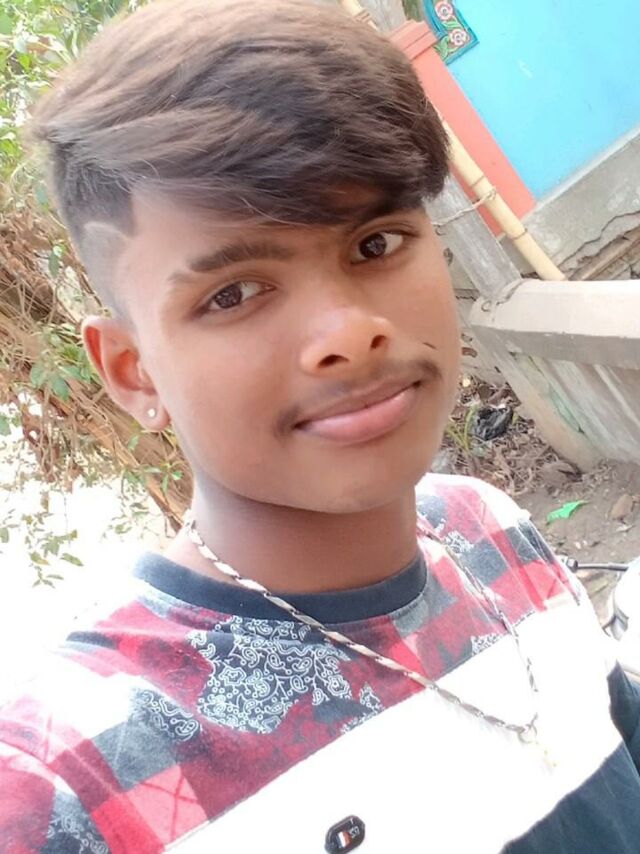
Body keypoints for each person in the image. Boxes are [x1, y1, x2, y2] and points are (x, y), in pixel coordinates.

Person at [1, 0, 639, 850]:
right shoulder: (75, 783)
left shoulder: (489, 532)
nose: (348, 332)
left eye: (375, 244)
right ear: (133, 370)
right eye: (234, 294)